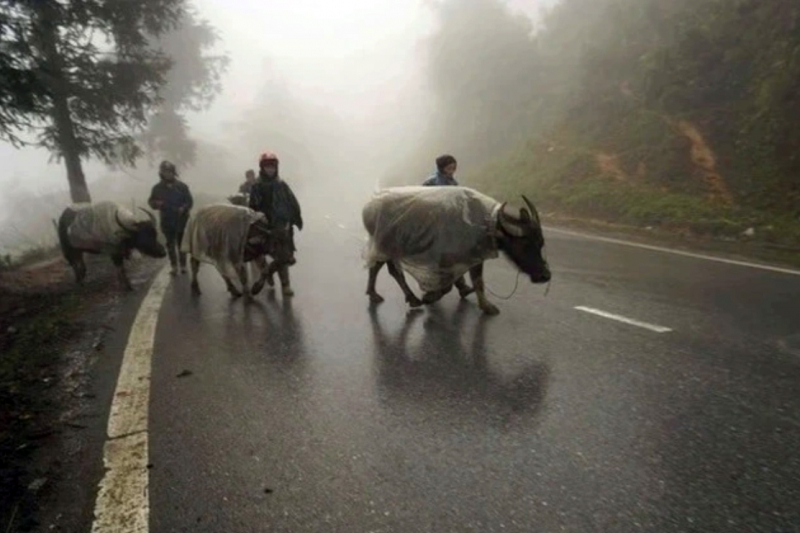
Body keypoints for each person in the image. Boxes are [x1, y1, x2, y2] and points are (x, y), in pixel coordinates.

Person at [248, 151, 303, 296]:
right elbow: (252, 207)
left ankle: (282, 284)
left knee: (283, 256)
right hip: (263, 226)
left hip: (281, 226)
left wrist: (292, 219)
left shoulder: (282, 184)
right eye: (267, 166)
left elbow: (292, 203)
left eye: (272, 166)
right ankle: (266, 274)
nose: (270, 169)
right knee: (261, 253)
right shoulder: (257, 186)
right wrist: (259, 217)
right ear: (262, 168)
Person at [422, 153, 474, 298]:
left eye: (454, 165)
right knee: (439, 260)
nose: (453, 168)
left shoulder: (452, 182)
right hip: (434, 227)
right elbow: (422, 202)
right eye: (449, 165)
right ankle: (432, 289)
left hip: (449, 226)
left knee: (452, 257)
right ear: (442, 167)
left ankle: (461, 286)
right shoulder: (431, 182)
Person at [148, 160, 193, 275]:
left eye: (170, 171)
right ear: (161, 173)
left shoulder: (182, 187)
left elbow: (190, 201)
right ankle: (174, 266)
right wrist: (157, 204)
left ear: (174, 172)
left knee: (181, 243)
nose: (168, 174)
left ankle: (183, 265)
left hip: (181, 219)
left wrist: (184, 208)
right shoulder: (157, 188)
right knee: (170, 244)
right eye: (165, 172)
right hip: (167, 220)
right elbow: (151, 202)